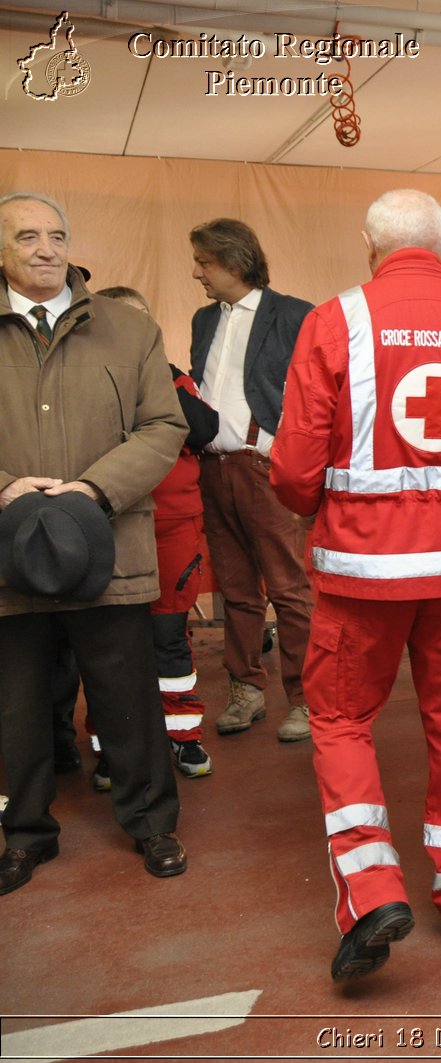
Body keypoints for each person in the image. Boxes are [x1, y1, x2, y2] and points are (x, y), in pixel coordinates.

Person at [271, 188, 441, 981]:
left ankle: (373, 888)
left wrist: (329, 513)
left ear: (369, 244)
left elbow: (292, 467)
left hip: (361, 574)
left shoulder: (334, 320)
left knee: (342, 719)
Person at [0, 191, 190, 894]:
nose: (45, 248)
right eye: (26, 236)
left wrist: (92, 492)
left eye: (56, 234)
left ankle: (152, 824)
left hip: (109, 548)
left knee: (127, 695)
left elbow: (164, 425)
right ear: (2, 250)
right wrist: (7, 489)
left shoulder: (129, 328)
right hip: (10, 550)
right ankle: (25, 833)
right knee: (17, 703)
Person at [82, 286, 221, 787]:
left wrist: (155, 373)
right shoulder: (88, 380)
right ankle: (111, 749)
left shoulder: (175, 379)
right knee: (111, 645)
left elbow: (205, 430)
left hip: (172, 532)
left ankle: (183, 736)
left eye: (141, 323)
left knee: (168, 639)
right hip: (111, 529)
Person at [188, 218, 316, 743]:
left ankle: (307, 701)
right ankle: (246, 690)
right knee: (236, 591)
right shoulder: (203, 319)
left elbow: (320, 393)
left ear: (235, 262)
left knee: (289, 590)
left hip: (265, 469)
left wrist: (284, 452)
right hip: (213, 469)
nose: (196, 272)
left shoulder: (294, 314)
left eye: (204, 262)